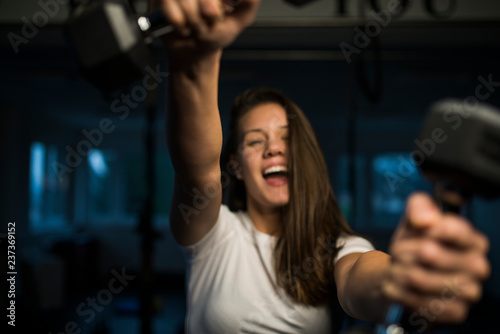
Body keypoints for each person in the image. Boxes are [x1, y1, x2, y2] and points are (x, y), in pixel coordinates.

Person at [151, 0, 491, 332]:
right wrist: (194, 62)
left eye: (287, 139)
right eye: (255, 141)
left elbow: (362, 276)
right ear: (236, 166)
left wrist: (398, 280)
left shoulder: (336, 248)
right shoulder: (215, 235)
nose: (273, 149)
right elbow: (199, 175)